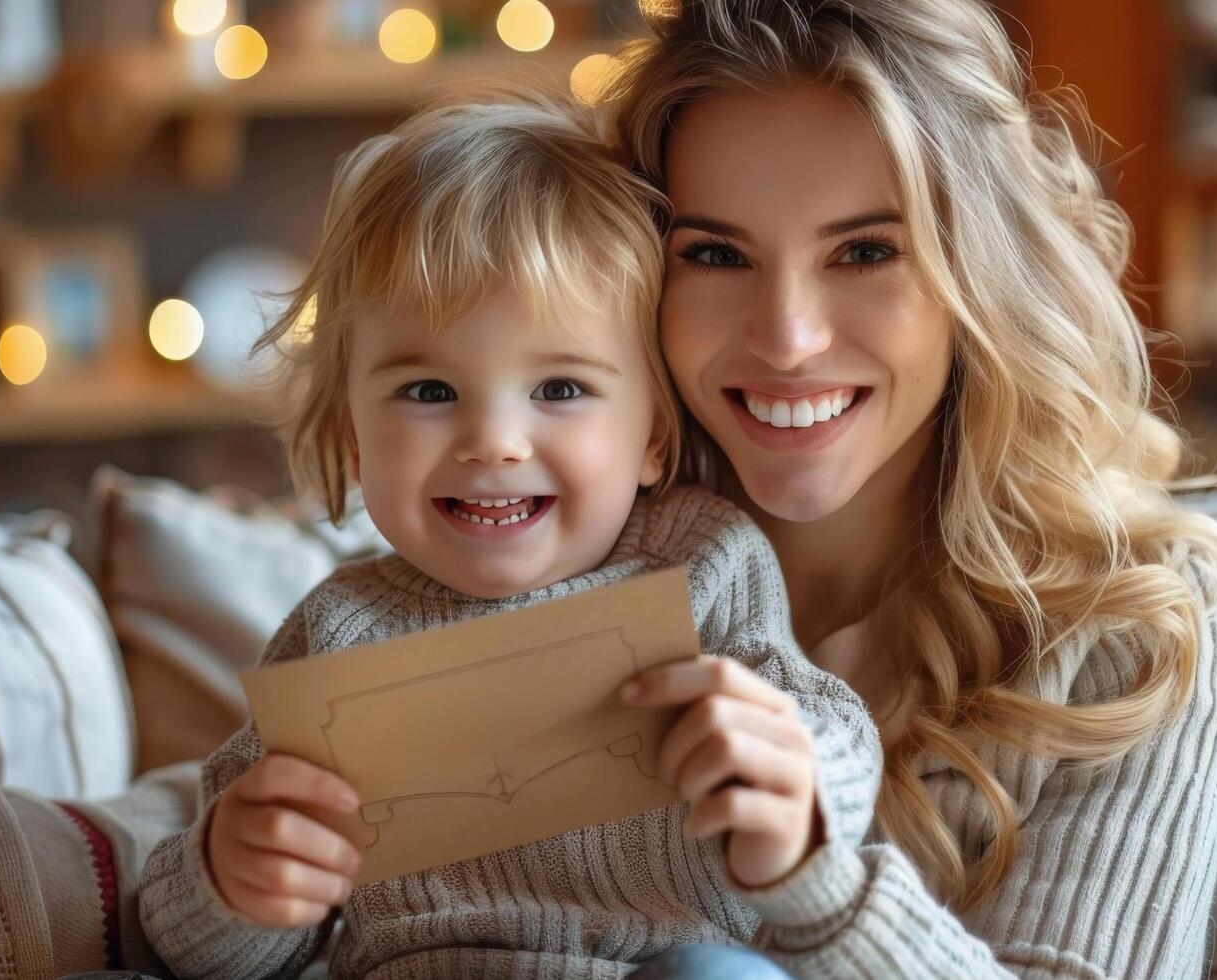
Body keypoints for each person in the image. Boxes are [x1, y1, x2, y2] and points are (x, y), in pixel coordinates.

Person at [138, 94, 867, 978]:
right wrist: (231, 880)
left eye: (559, 389)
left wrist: (801, 781)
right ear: (347, 435)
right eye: (430, 392)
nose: (494, 442)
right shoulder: (335, 636)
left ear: (652, 437)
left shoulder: (700, 563)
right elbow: (212, 947)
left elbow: (824, 726)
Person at [598, 0, 1217, 975]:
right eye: (715, 254)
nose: (787, 339)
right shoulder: (559, 560)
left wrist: (819, 881)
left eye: (865, 251)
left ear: (977, 274)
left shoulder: (1139, 614)